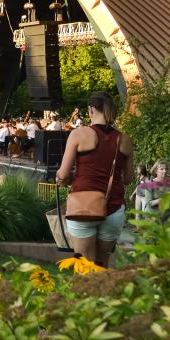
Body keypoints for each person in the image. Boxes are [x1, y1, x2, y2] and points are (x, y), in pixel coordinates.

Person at [56, 91, 134, 267]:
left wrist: (66, 179)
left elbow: (62, 174)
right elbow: (128, 179)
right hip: (113, 207)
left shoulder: (79, 134)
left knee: (83, 266)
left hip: (83, 206)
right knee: (101, 266)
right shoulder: (125, 140)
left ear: (91, 110)